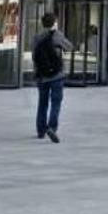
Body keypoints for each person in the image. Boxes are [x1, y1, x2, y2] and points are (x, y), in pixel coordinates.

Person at [31, 13, 74, 143]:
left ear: (42, 23)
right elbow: (70, 47)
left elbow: (34, 56)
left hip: (42, 76)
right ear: (54, 22)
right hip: (56, 75)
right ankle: (52, 127)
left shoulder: (37, 37)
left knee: (42, 103)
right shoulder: (57, 35)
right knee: (56, 103)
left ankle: (40, 130)